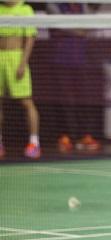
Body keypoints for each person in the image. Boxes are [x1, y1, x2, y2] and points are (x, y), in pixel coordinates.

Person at [46, 2, 100, 153]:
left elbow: (90, 25)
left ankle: (85, 136)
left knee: (84, 98)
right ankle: (65, 136)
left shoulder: (82, 5)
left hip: (80, 59)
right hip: (60, 59)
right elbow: (62, 24)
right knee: (64, 99)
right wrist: (79, 30)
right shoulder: (53, 5)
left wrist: (79, 30)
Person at [0, 0, 41, 159]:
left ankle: (34, 142)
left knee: (26, 101)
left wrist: (23, 62)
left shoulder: (25, 9)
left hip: (16, 57)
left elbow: (30, 38)